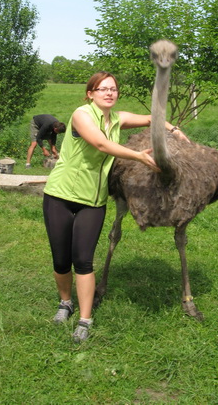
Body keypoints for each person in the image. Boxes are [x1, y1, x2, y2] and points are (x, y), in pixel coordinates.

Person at [43, 71, 189, 343]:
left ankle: (85, 320)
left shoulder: (117, 119)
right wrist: (137, 156)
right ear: (90, 94)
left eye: (113, 89)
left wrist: (173, 130)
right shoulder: (81, 115)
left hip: (92, 201)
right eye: (102, 89)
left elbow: (151, 118)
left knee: (83, 261)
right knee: (61, 260)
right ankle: (65, 303)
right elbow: (100, 143)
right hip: (60, 196)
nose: (109, 93)